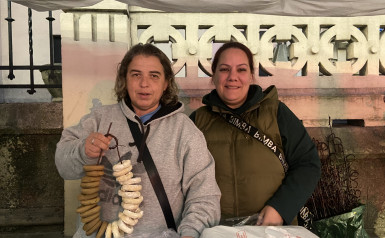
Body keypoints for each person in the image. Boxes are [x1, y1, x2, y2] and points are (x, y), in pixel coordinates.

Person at [55, 43, 221, 238]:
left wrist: (190, 233)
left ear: (166, 83)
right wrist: (83, 151)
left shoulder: (184, 131)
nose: (144, 83)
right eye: (136, 75)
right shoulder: (98, 119)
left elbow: (204, 195)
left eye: (154, 75)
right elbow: (63, 165)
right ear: (125, 79)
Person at [190, 41, 321, 226]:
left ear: (251, 75)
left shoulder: (276, 113)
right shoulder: (198, 121)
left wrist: (280, 208)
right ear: (214, 74)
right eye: (224, 69)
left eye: (241, 70)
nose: (232, 77)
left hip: (271, 230)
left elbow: (308, 164)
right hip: (216, 230)